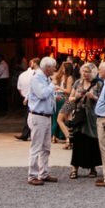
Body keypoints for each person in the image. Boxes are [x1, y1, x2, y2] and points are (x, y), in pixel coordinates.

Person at [68, 62, 102, 179]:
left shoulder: (98, 84)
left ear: (93, 72)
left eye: (87, 72)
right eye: (83, 71)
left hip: (92, 117)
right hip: (79, 115)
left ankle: (92, 168)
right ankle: (74, 168)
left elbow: (103, 100)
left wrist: (93, 97)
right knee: (77, 142)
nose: (85, 74)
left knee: (91, 141)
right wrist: (76, 97)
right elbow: (70, 98)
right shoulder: (78, 82)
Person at [27, 57, 57, 185]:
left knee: (46, 147)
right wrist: (52, 85)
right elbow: (42, 94)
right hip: (38, 116)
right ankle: (32, 175)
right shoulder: (36, 78)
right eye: (53, 67)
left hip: (46, 116)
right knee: (36, 146)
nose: (55, 69)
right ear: (47, 68)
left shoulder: (45, 78)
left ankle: (43, 173)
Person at [14, 58, 39, 141]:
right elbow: (32, 87)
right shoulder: (37, 74)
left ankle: (27, 134)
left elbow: (19, 88)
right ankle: (29, 134)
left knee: (30, 116)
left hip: (29, 97)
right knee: (32, 116)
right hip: (35, 98)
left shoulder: (24, 75)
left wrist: (25, 97)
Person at [53, 62, 74, 147]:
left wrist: (59, 88)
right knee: (64, 120)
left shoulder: (70, 78)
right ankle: (68, 139)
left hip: (67, 100)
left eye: (64, 68)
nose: (62, 69)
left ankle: (68, 138)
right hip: (64, 99)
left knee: (60, 119)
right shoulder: (62, 76)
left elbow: (68, 91)